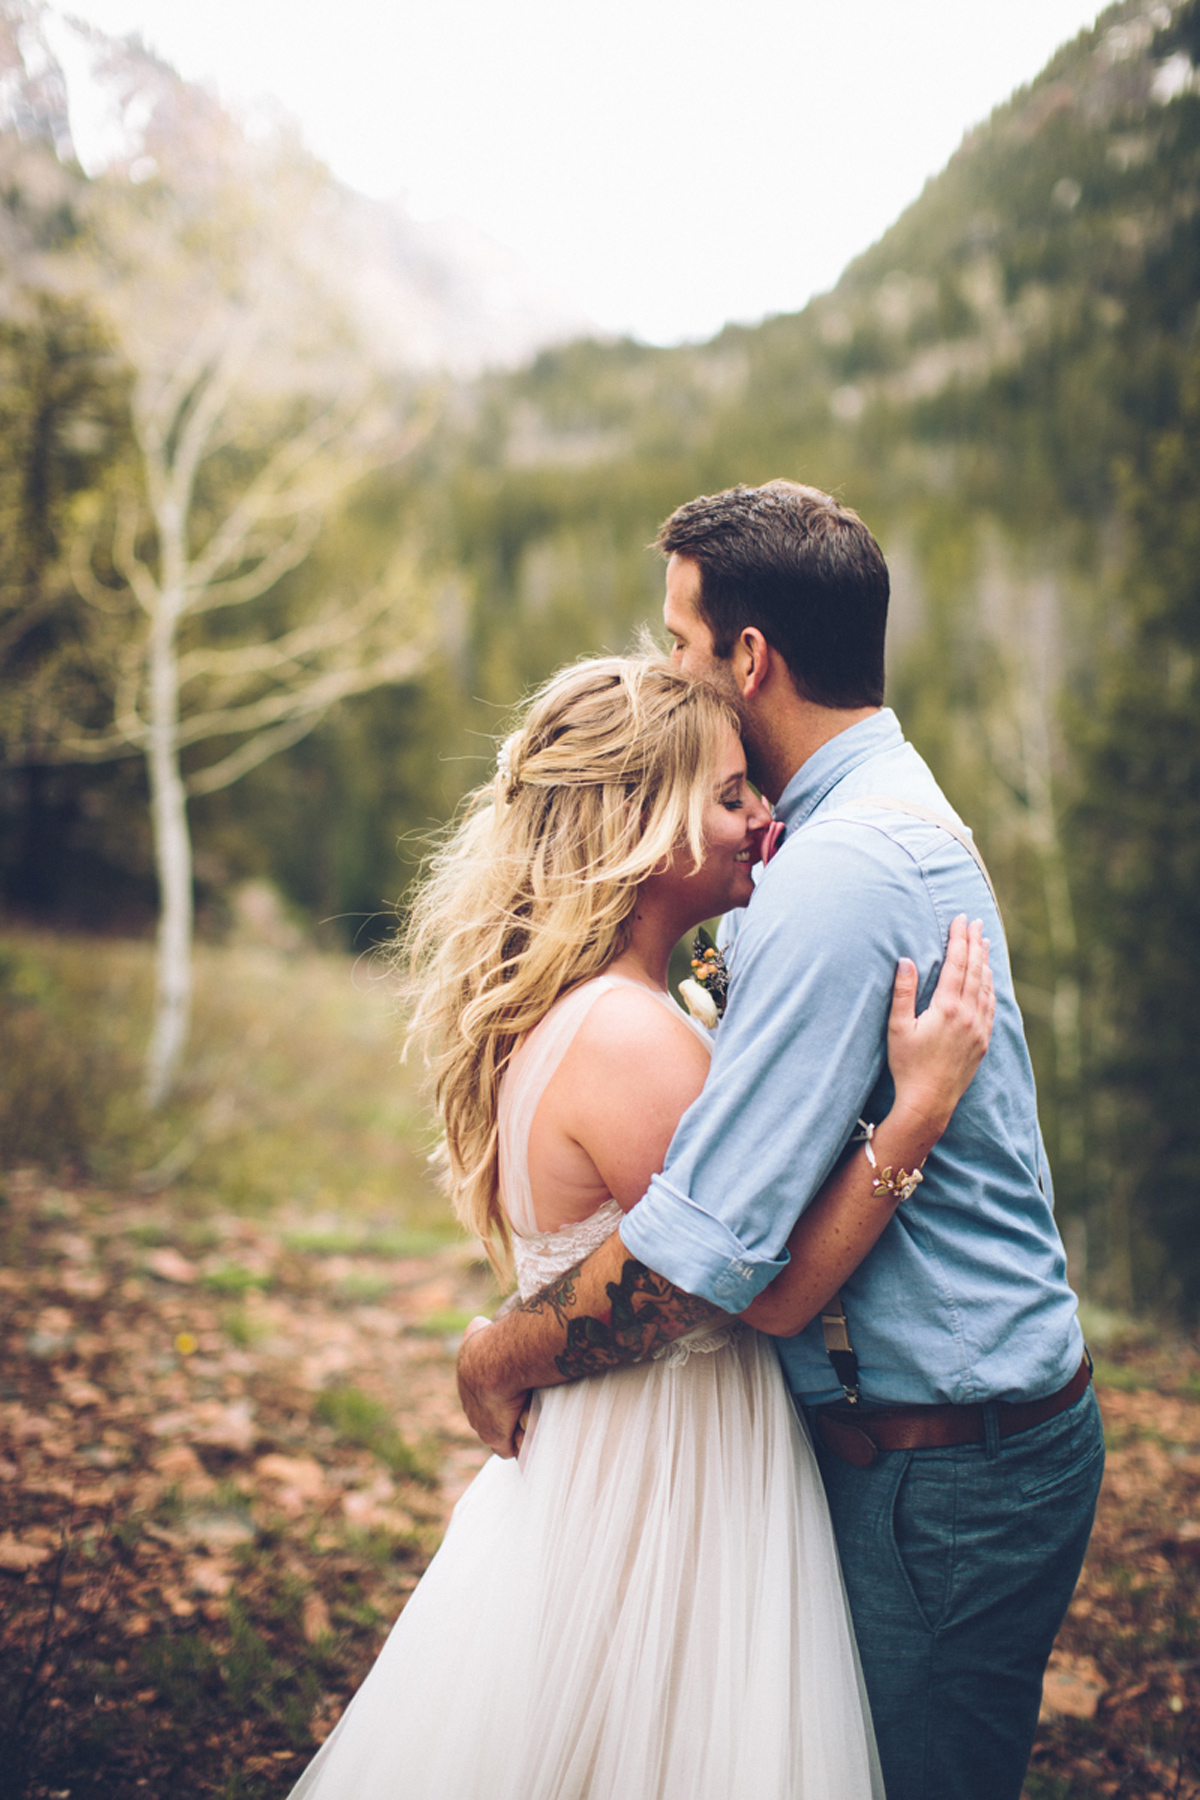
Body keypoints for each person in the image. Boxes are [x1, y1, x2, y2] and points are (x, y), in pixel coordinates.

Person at [457, 483, 1106, 1800]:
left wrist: (494, 1351)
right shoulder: (832, 829)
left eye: (678, 640)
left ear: (748, 659)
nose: (663, 667)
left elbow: (697, 1269)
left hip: (944, 1466)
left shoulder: (838, 872)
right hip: (930, 1442)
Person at [288, 654, 994, 1800]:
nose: (762, 817)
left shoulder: (584, 1012)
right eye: (728, 797)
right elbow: (759, 1291)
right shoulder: (633, 1039)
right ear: (641, 825)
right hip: (670, 1473)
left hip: (617, 1449)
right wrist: (915, 1115)